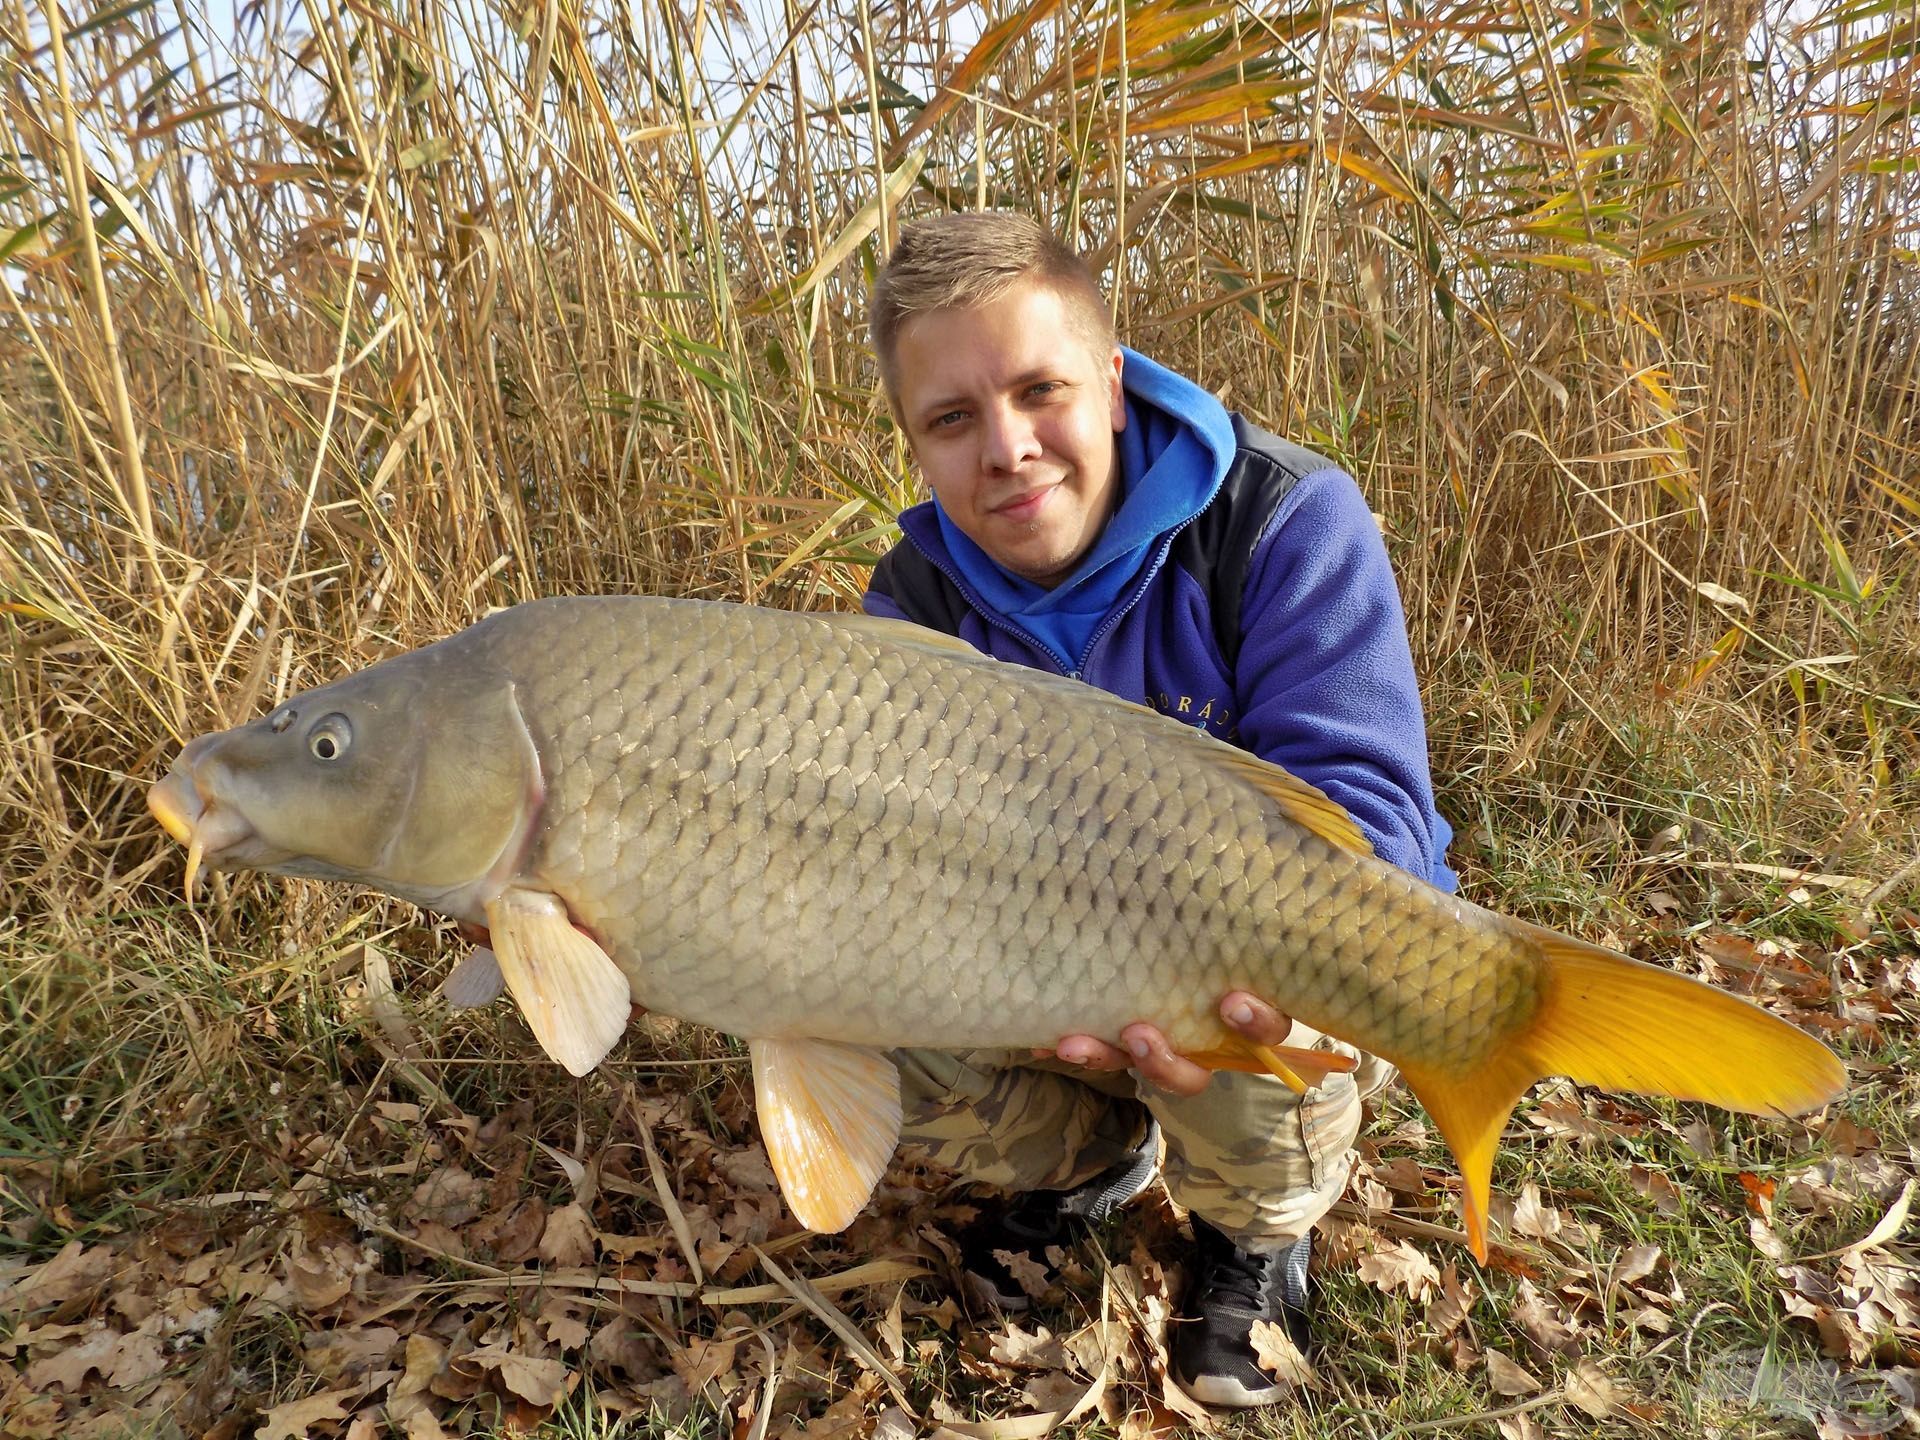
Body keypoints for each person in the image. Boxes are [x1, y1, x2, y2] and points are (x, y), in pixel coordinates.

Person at [862, 212, 1457, 1409]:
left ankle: (1253, 1235)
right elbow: (889, 856)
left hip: (1257, 960)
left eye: (1041, 391)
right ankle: (1097, 1161)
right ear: (916, 445)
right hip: (1037, 969)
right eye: (953, 419)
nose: (1009, 448)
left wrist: (1181, 942)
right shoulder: (913, 597)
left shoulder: (1283, 518)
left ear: (1116, 387)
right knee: (848, 995)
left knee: (1244, 968)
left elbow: (1374, 821)